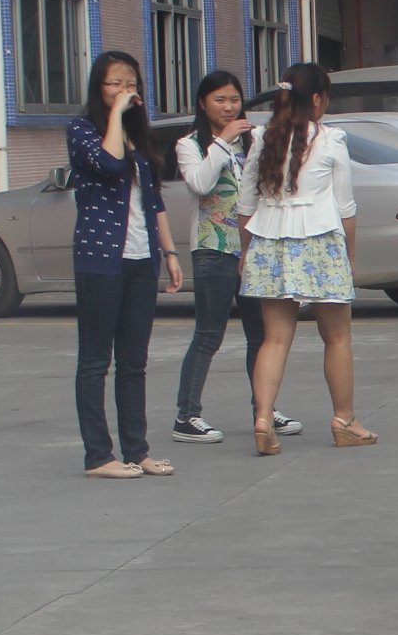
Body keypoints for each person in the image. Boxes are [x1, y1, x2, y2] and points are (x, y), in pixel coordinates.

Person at [241, 62, 375, 453]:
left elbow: (245, 207)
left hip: (270, 241)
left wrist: (247, 253)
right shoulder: (332, 140)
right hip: (320, 240)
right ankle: (344, 420)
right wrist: (349, 257)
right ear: (317, 98)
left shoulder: (261, 138)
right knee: (336, 337)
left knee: (275, 339)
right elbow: (345, 208)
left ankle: (264, 417)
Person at [170, 69, 303, 446]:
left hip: (253, 248)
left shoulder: (255, 140)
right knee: (209, 335)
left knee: (259, 336)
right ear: (202, 103)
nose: (229, 108)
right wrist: (223, 143)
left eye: (234, 100)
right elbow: (200, 183)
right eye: (219, 100)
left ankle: (264, 410)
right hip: (213, 249)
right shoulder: (190, 144)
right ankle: (187, 415)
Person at [66, 51, 183, 478]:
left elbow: (153, 202)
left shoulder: (139, 136)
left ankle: (137, 449)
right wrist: (116, 114)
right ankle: (99, 456)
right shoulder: (82, 130)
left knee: (134, 361)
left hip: (141, 258)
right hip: (100, 260)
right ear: (99, 88)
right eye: (114, 83)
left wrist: (169, 253)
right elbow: (109, 163)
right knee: (96, 360)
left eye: (130, 83)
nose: (123, 90)